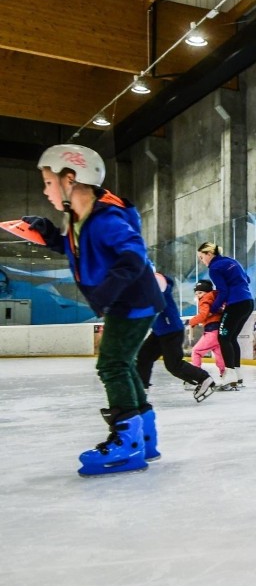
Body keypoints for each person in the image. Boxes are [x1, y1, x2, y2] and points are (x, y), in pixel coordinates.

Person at [24, 144, 164, 476]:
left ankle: (128, 443)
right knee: (123, 363)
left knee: (112, 365)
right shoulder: (80, 218)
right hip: (128, 302)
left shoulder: (106, 218)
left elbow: (133, 253)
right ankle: (144, 435)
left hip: (132, 303)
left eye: (48, 183)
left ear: (69, 179)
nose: (45, 191)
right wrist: (48, 233)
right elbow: (79, 250)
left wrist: (105, 292)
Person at [136, 273, 217, 403]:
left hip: (171, 330)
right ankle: (141, 390)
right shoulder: (144, 283)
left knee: (174, 365)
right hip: (159, 331)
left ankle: (205, 379)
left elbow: (154, 301)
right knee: (144, 356)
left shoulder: (156, 282)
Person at [197, 242, 253, 391]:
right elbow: (247, 280)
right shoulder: (231, 261)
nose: (202, 261)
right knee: (231, 338)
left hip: (235, 304)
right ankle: (237, 375)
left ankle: (229, 375)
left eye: (201, 258)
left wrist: (213, 309)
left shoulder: (214, 268)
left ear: (209, 254)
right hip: (248, 302)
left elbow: (223, 291)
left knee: (223, 338)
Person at [188, 279, 226, 381]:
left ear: (207, 292)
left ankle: (196, 376)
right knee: (219, 355)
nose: (198, 296)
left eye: (200, 292)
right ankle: (226, 375)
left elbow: (203, 315)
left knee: (196, 351)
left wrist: (192, 321)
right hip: (219, 331)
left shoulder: (205, 300)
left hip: (211, 332)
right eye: (196, 293)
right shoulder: (215, 299)